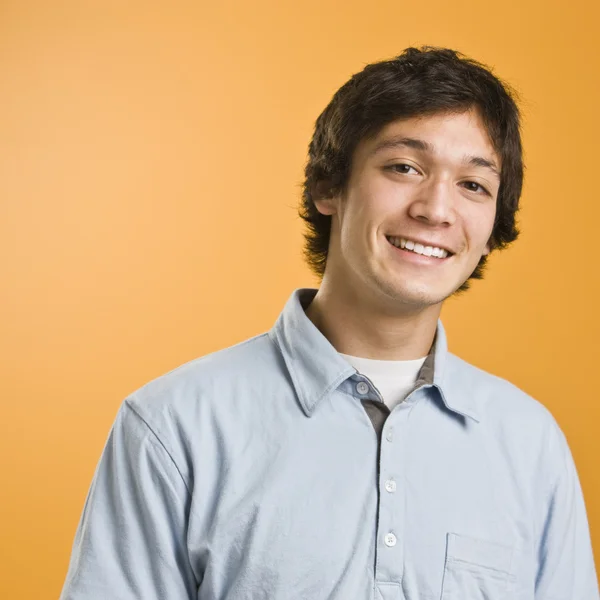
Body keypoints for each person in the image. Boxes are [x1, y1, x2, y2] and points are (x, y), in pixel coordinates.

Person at [59, 46, 599, 599]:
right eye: (404, 167)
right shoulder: (174, 425)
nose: (436, 210)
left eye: (473, 185)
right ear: (328, 186)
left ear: (491, 228)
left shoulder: (529, 443)